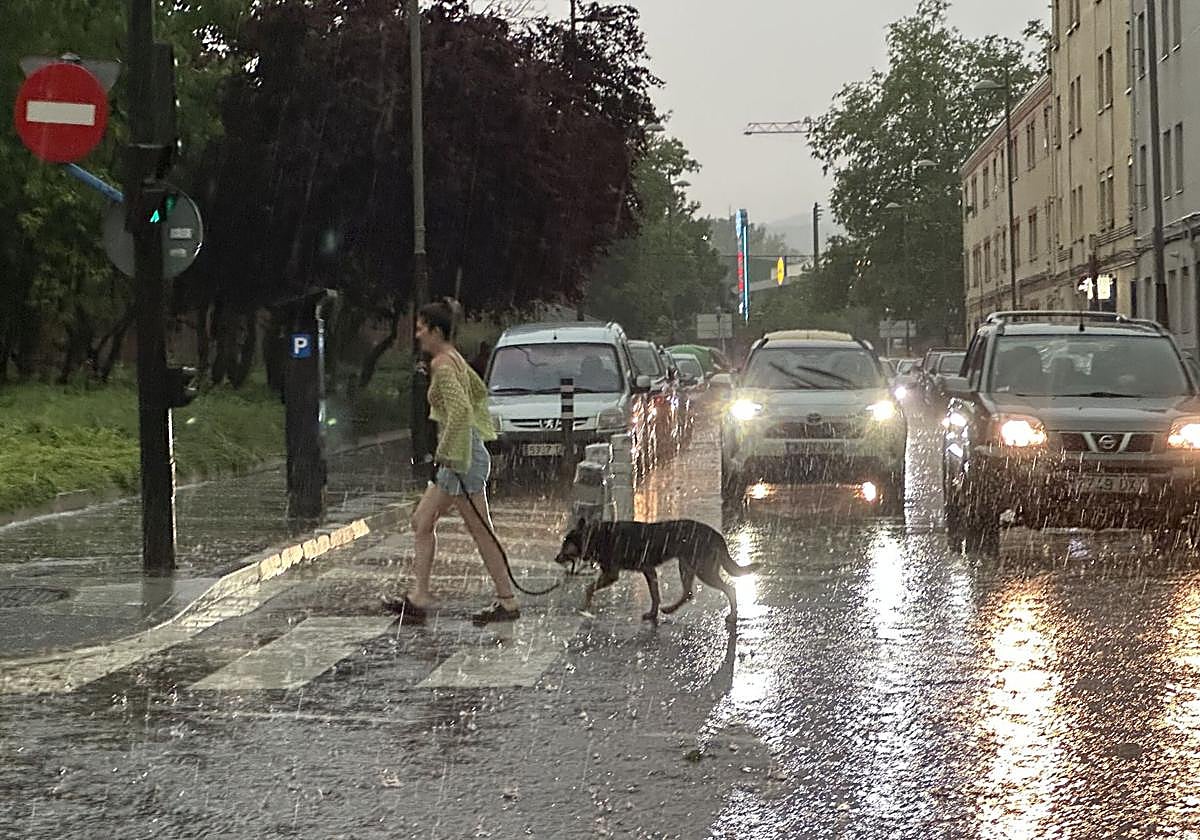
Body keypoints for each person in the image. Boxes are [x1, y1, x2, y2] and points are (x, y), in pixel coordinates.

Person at [385, 298, 519, 625]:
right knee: (422, 521)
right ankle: (419, 595)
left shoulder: (443, 365)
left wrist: (444, 454)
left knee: (480, 531)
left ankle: (507, 601)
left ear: (436, 331)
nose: (417, 334)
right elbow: (477, 393)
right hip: (462, 455)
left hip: (460, 460)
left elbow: (460, 411)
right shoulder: (454, 359)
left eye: (421, 329)